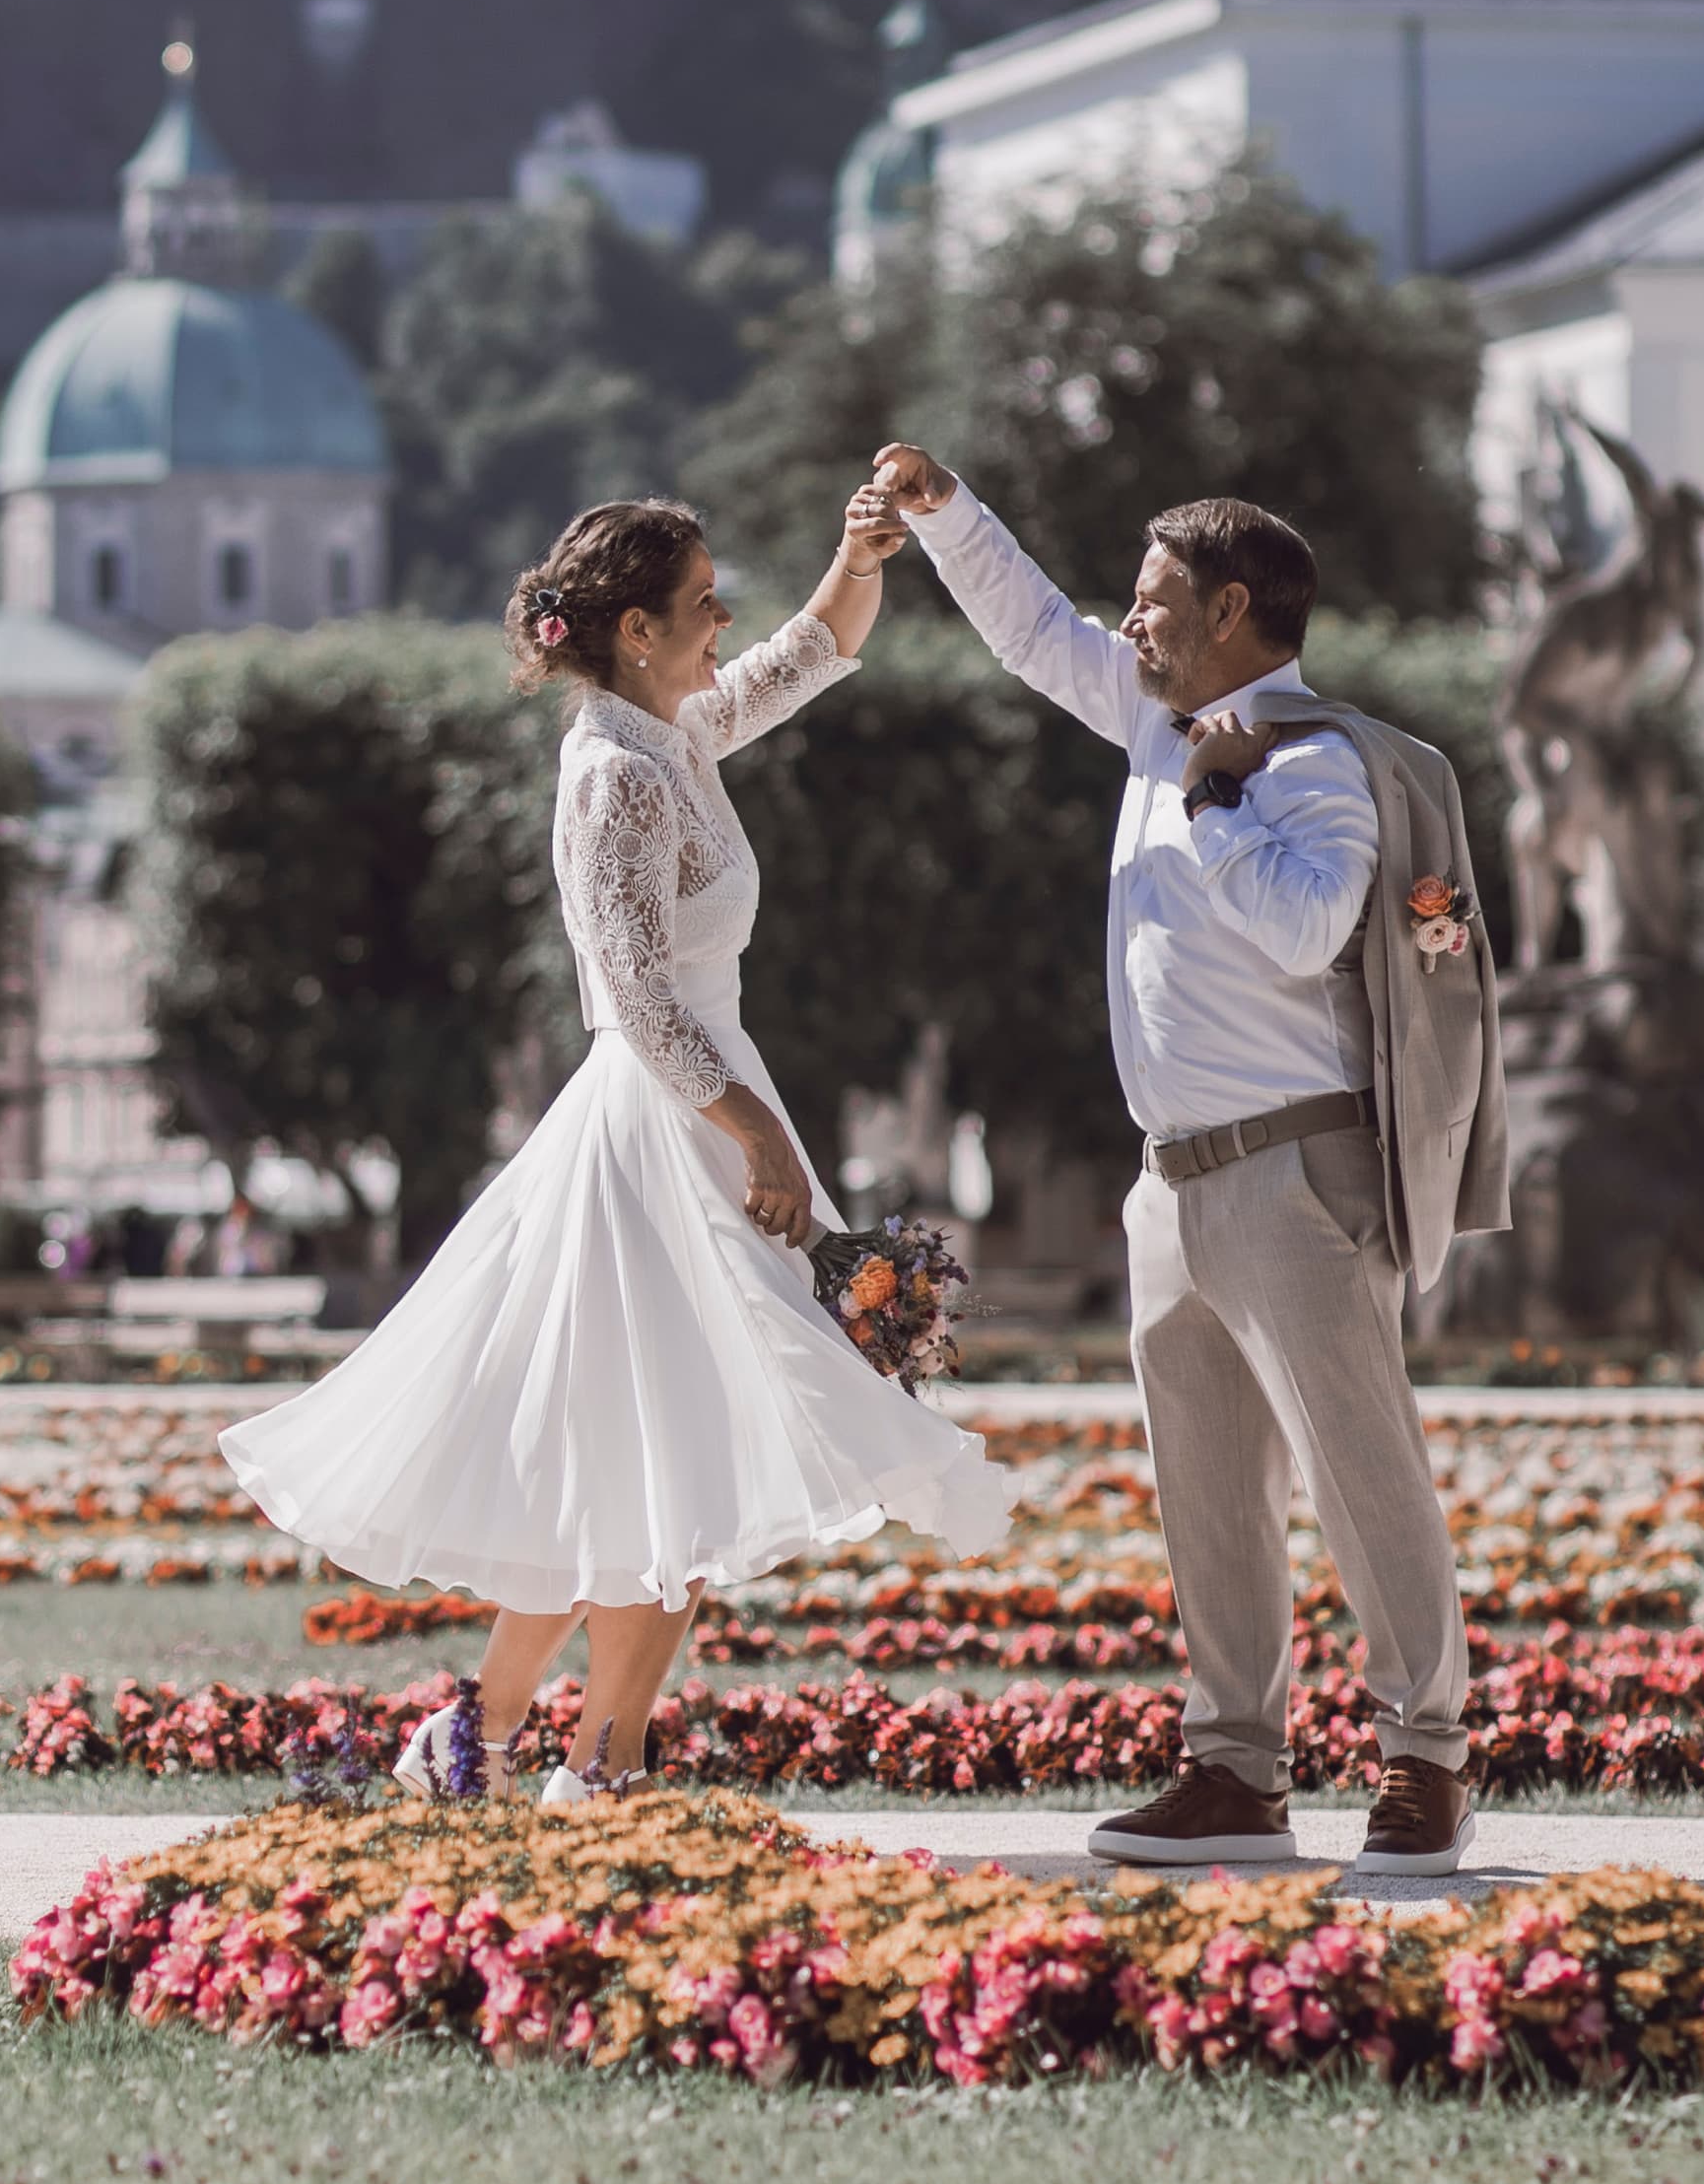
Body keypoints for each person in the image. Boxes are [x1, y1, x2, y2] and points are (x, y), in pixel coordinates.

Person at [221, 490, 1014, 1799]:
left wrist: (858, 557)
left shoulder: (676, 731)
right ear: (637, 629)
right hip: (668, 1132)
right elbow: (633, 993)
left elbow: (807, 654)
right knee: (681, 1456)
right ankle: (606, 1768)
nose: (726, 619)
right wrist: (761, 1137)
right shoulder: (614, 771)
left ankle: (467, 1747)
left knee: (629, 1456)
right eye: (705, 601)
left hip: (702, 1117)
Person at [873, 443, 1506, 1879]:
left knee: (1360, 1472)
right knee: (1208, 1484)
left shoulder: (1317, 763)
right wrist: (948, 512)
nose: (1129, 620)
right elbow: (1036, 632)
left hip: (1297, 1175)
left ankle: (1428, 1757)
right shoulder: (1155, 721)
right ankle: (1233, 1768)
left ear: (1231, 610)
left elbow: (1305, 930)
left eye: (1155, 601)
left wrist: (1221, 803)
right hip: (1171, 1182)